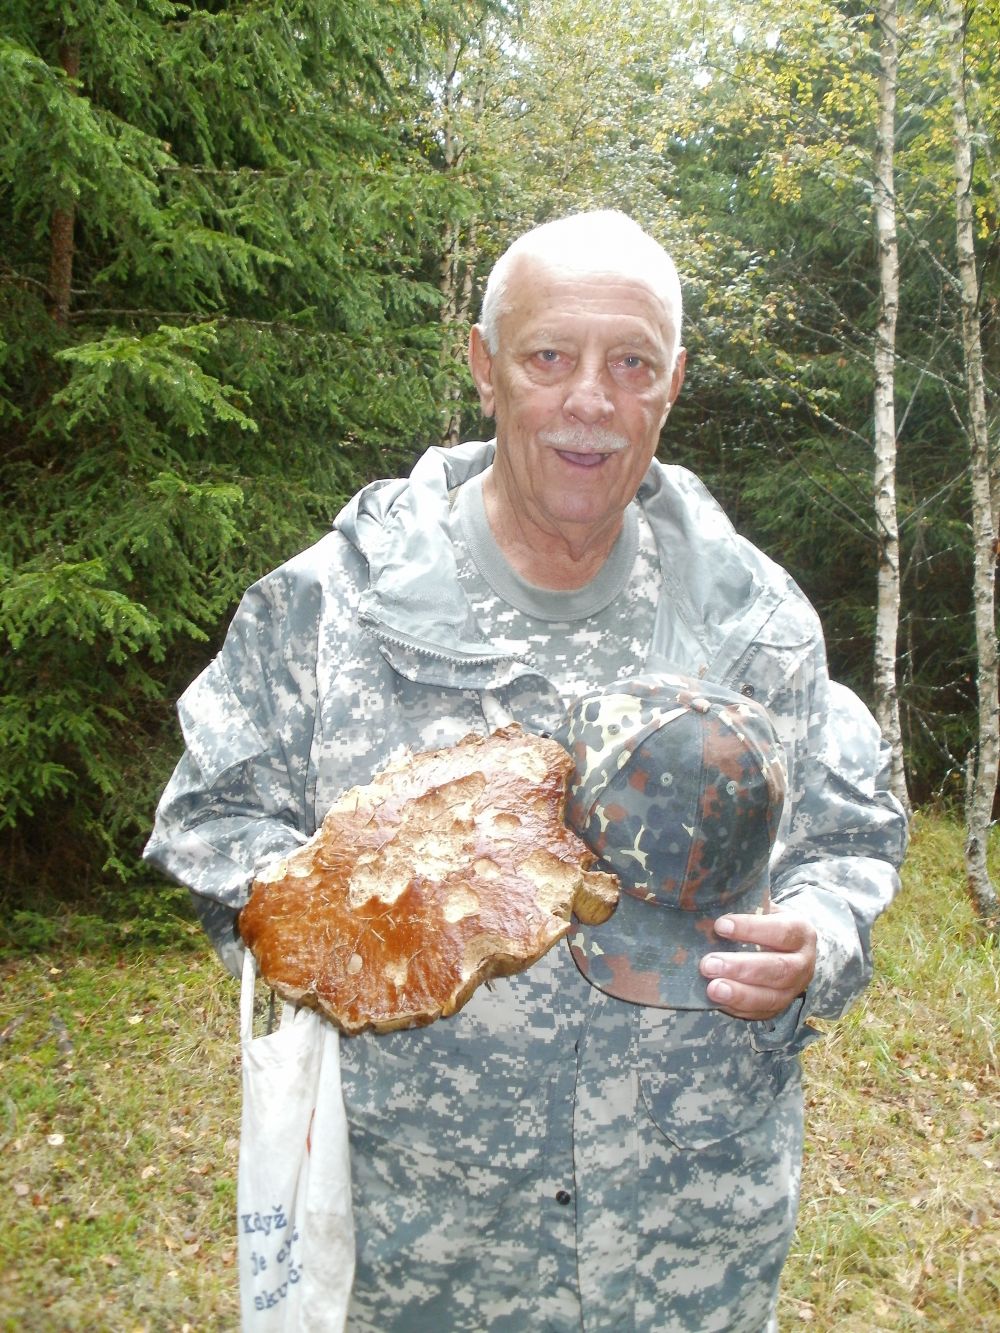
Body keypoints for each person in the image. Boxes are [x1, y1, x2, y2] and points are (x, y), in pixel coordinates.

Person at [145, 209, 908, 1332]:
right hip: (426, 1247)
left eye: (631, 363)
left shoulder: (753, 620)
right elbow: (209, 816)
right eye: (550, 355)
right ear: (485, 365)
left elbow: (848, 837)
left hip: (686, 1245)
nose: (590, 399)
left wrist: (817, 940)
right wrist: (345, 913)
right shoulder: (333, 606)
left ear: (672, 383)